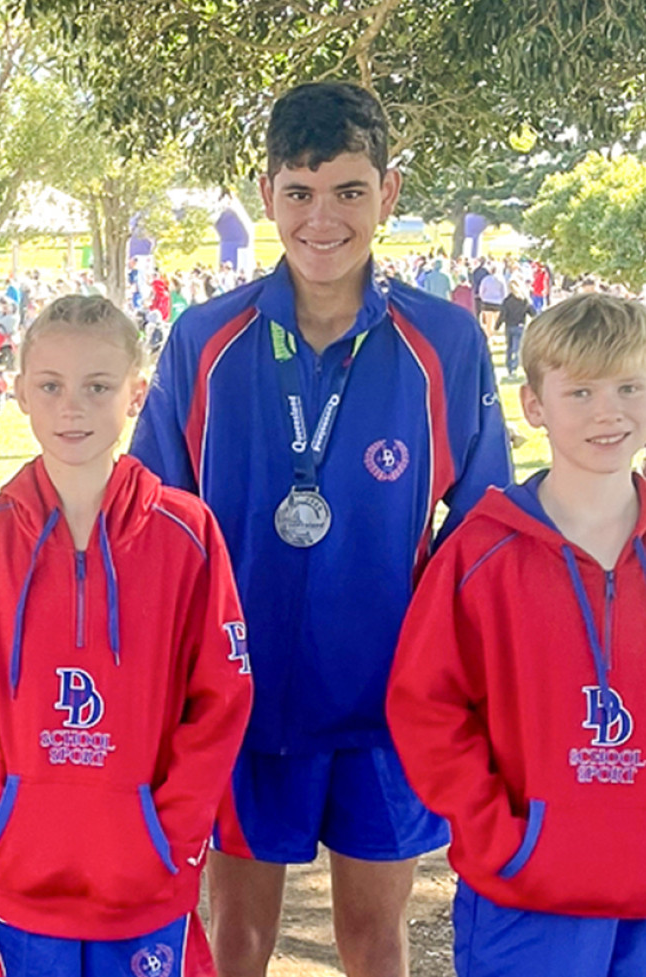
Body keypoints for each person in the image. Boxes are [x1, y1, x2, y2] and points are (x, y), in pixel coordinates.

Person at [130, 82, 512, 977]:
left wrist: (450, 677)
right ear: (266, 196)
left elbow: (483, 528)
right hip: (239, 696)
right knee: (239, 937)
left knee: (374, 939)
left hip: (387, 706)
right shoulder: (204, 338)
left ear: (390, 191)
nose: (322, 219)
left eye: (347, 190)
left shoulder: (445, 343)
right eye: (299, 193)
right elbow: (154, 524)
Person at [0, 294, 253, 977]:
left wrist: (172, 835)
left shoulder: (186, 536)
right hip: (23, 883)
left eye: (98, 386)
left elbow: (219, 699)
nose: (73, 407)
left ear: (135, 393)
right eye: (51, 386)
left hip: (145, 883)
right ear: (19, 393)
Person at [389, 293, 646, 977]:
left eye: (628, 386)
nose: (608, 411)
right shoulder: (483, 552)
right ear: (534, 405)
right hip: (528, 892)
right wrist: (499, 833)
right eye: (581, 390)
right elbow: (426, 705)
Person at [500, 278, 535, 378]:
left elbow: (503, 315)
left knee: (509, 348)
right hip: (520, 326)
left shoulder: (507, 301)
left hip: (509, 326)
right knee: (517, 348)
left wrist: (497, 326)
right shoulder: (524, 300)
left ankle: (510, 369)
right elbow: (533, 313)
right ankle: (514, 368)